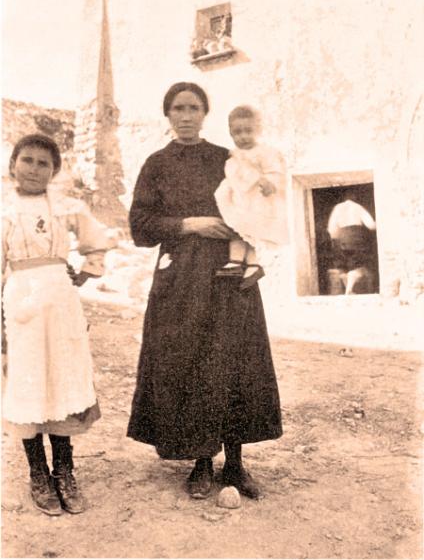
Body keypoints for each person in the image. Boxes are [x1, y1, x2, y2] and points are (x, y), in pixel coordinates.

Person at [127, 83, 282, 500]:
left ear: (205, 113)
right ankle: (200, 462)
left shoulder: (226, 158)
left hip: (228, 272)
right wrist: (190, 224)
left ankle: (235, 464)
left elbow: (256, 203)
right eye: (178, 108)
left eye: (193, 108)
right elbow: (140, 226)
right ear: (167, 114)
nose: (186, 116)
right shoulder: (157, 164)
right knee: (191, 363)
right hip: (181, 277)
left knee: (235, 362)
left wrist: (252, 244)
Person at [2, 134, 110, 516]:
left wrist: (86, 272)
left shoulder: (66, 207)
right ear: (13, 164)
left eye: (43, 163)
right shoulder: (4, 208)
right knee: (29, 381)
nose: (34, 169)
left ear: (55, 170)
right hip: (21, 304)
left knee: (62, 377)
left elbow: (96, 240)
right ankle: (38, 472)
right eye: (27, 160)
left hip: (61, 302)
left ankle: (64, 469)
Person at [214, 105, 288, 288]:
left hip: (257, 199)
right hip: (240, 197)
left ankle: (253, 263)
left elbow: (276, 171)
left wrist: (270, 182)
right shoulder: (234, 155)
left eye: (248, 131)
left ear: (258, 130)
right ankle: (237, 262)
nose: (243, 137)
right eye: (237, 132)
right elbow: (233, 173)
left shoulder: (266, 152)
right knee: (238, 230)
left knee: (252, 231)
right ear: (230, 133)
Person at [327, 188, 377, 294]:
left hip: (340, 239)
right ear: (355, 197)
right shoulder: (358, 207)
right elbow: (371, 225)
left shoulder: (337, 208)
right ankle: (349, 290)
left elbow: (331, 229)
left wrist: (336, 243)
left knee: (343, 268)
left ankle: (348, 289)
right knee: (359, 266)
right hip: (355, 238)